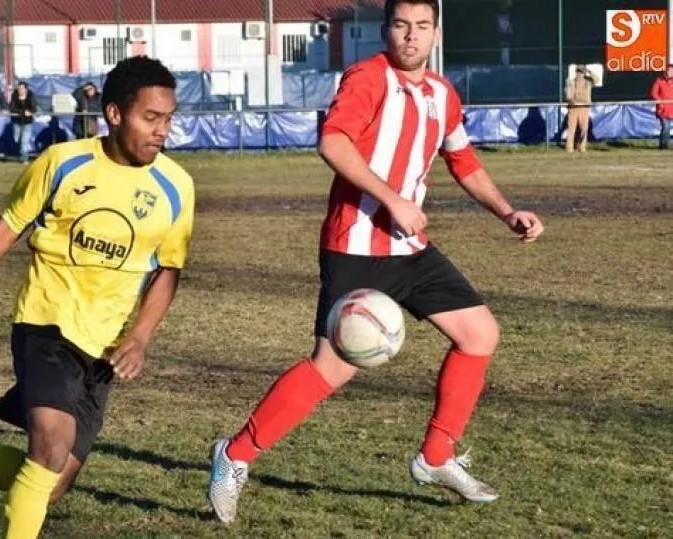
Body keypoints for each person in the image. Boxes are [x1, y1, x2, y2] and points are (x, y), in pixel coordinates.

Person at [207, 0, 545, 524]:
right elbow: (333, 142)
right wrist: (392, 199)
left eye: (422, 27)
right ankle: (234, 456)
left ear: (435, 33)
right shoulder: (367, 78)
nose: (411, 36)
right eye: (402, 26)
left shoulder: (442, 94)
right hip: (356, 246)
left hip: (409, 249)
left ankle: (436, 457)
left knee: (480, 334)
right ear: (387, 30)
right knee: (331, 369)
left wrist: (507, 211)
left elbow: (463, 160)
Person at [0, 56, 194, 539]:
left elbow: (168, 269)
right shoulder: (62, 163)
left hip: (104, 346)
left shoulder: (176, 186)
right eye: (150, 118)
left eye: (169, 118)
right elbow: (11, 222)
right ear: (113, 114)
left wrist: (140, 338)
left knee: (50, 484)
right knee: (48, 453)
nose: (162, 130)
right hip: (46, 322)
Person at [564, 65, 595, 153]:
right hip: (573, 108)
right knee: (571, 128)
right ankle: (569, 148)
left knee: (584, 129)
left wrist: (589, 71)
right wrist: (570, 99)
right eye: (578, 71)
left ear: (584, 73)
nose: (579, 74)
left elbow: (596, 79)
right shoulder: (570, 82)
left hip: (584, 108)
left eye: (581, 72)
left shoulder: (588, 82)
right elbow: (568, 94)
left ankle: (582, 147)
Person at [9, 81, 38, 164]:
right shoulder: (14, 96)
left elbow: (34, 108)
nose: (20, 90)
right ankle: (19, 153)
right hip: (16, 122)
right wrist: (23, 112)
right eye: (19, 88)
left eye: (22, 88)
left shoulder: (31, 96)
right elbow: (12, 108)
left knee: (25, 141)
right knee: (16, 139)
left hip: (27, 122)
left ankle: (24, 158)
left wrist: (30, 112)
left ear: (26, 89)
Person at [650, 64, 673, 150]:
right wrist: (660, 102)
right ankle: (663, 146)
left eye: (671, 71)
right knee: (666, 127)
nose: (669, 72)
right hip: (663, 109)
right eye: (668, 70)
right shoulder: (659, 80)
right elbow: (654, 93)